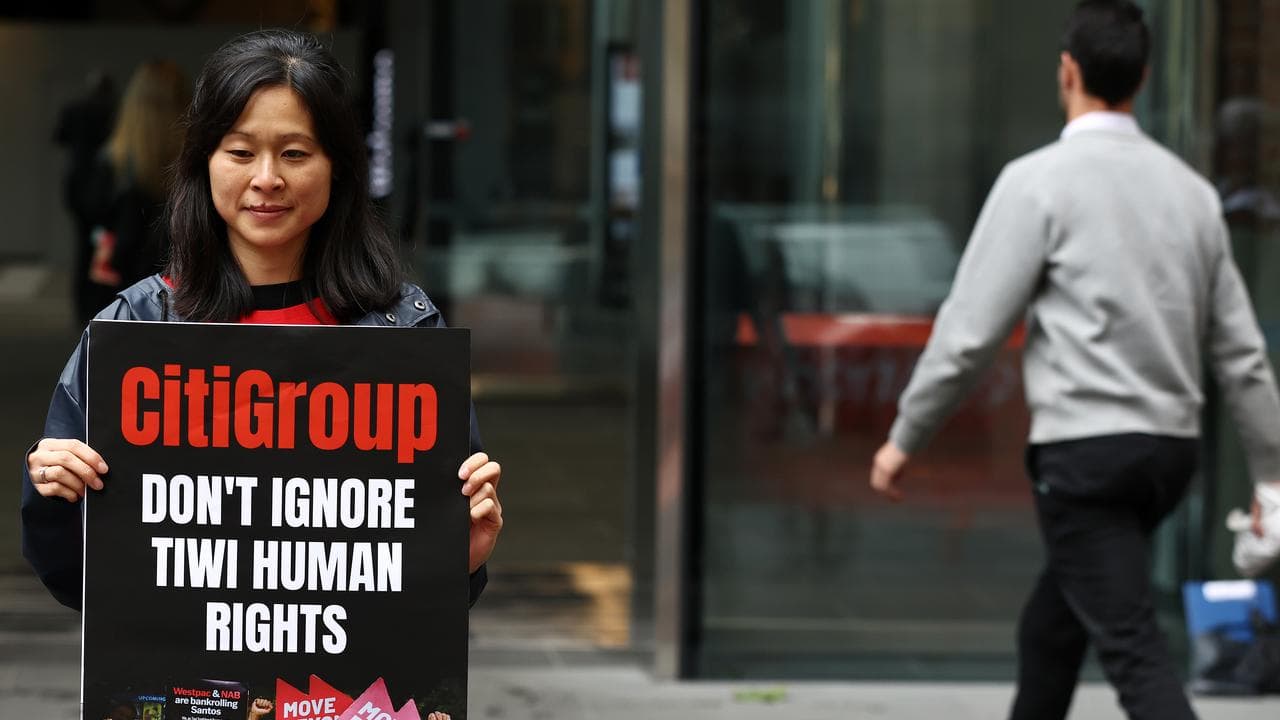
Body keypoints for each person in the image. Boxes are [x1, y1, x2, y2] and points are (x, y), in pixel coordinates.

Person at [867, 2, 1280, 719]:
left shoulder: (1036, 182)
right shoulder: (1191, 195)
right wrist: (1273, 476)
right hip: (1168, 457)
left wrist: (905, 438)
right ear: (1143, 79)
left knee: (1132, 650)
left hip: (1085, 459)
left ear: (1067, 72)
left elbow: (969, 333)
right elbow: (1241, 355)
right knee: (1052, 629)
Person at [21, 29, 503, 610]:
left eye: (295, 153)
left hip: (344, 696)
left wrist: (462, 562)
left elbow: (417, 595)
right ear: (205, 163)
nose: (267, 179)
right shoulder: (139, 326)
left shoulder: (404, 331)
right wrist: (53, 490)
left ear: (338, 169)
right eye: (241, 152)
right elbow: (78, 579)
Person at [85, 59, 189, 292]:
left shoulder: (113, 159)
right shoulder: (197, 159)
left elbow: (96, 218)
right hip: (179, 277)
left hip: (122, 277)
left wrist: (100, 244)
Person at [53, 69, 118, 326]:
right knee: (103, 248)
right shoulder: (112, 112)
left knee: (85, 249)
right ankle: (97, 306)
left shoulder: (74, 110)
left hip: (78, 190)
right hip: (101, 192)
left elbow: (59, 138)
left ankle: (82, 310)